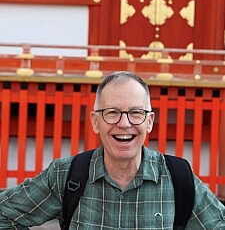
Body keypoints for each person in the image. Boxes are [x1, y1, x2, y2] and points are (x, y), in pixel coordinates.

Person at [0, 71, 225, 229]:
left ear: (150, 121)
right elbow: (4, 214)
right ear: (96, 121)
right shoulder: (66, 176)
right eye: (112, 112)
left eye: (136, 113)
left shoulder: (179, 178)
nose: (124, 123)